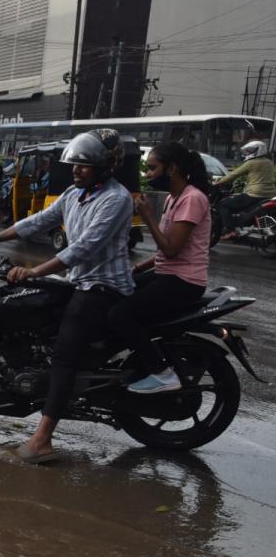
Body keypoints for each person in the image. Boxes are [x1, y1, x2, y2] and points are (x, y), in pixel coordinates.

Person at [0, 129, 135, 464]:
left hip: (102, 287)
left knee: (63, 356)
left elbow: (83, 248)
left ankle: (42, 440)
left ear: (105, 167)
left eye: (84, 165)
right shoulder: (75, 194)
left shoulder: (116, 200)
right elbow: (40, 221)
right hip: (79, 282)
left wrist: (34, 270)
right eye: (74, 164)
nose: (76, 170)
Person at [107, 142, 212, 393]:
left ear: (172, 168)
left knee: (119, 315)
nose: (148, 174)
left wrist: (146, 217)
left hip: (184, 282)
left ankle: (162, 373)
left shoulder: (192, 199)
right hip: (168, 273)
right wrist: (136, 269)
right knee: (112, 294)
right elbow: (166, 254)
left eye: (152, 168)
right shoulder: (173, 198)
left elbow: (172, 249)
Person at [213, 140, 276, 234]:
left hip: (255, 194)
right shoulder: (269, 162)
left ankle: (230, 230)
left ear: (258, 151)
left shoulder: (251, 163)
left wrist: (217, 183)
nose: (248, 153)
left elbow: (234, 175)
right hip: (270, 195)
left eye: (250, 151)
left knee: (224, 205)